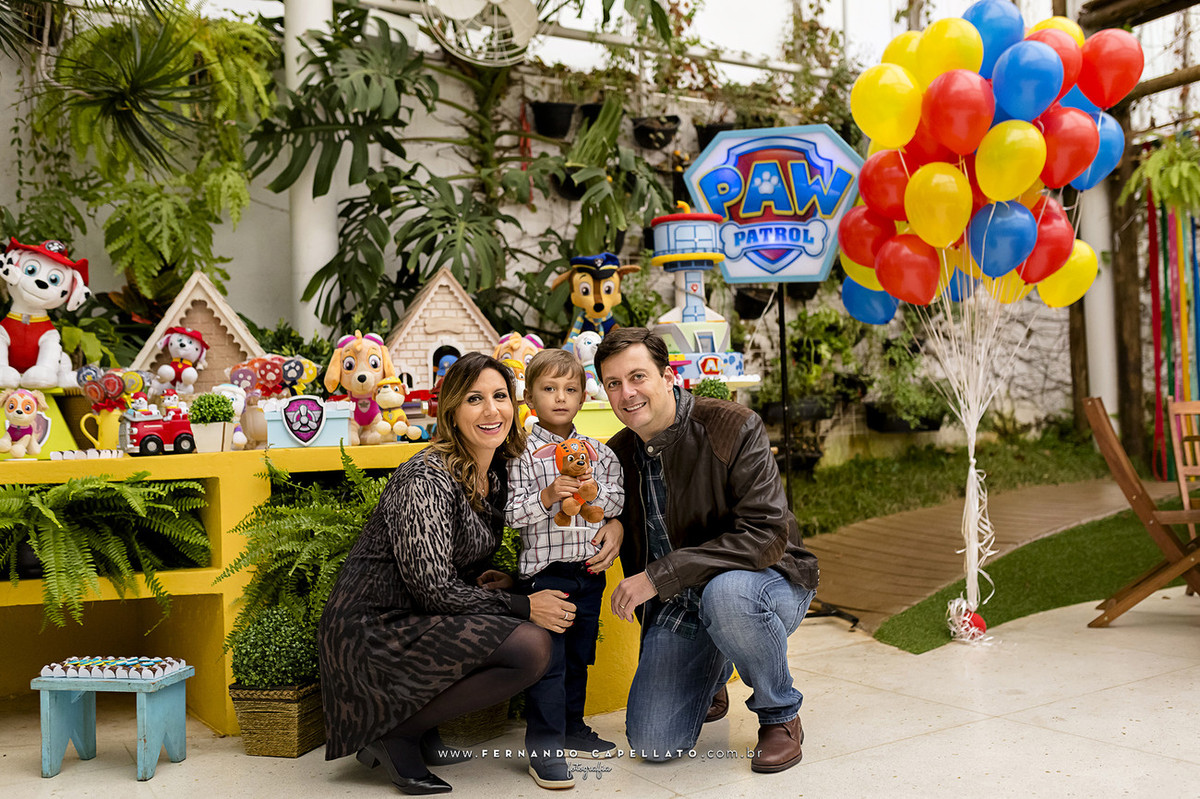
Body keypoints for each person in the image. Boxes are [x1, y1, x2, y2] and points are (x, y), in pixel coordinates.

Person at [319, 352, 617, 795]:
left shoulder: (492, 474)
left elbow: (456, 566)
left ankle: (417, 727)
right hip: (372, 630)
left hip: (417, 616)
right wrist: (524, 604)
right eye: (475, 399)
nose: (491, 410)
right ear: (452, 410)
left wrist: (611, 523)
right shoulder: (425, 477)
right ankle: (396, 732)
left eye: (500, 396)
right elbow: (434, 587)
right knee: (532, 646)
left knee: (530, 631)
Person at [595, 327, 820, 774]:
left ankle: (780, 716)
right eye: (614, 384)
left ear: (668, 375)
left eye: (638, 377)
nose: (627, 393)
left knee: (727, 595)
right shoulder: (616, 454)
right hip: (682, 606)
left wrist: (663, 575)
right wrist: (614, 521)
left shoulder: (733, 426)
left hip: (765, 582)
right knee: (653, 741)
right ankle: (712, 672)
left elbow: (765, 534)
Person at [506, 349, 625, 789]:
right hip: (545, 574)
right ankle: (544, 748)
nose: (560, 398)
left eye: (570, 389)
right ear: (530, 398)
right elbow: (510, 514)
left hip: (588, 570)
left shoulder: (597, 452)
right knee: (549, 660)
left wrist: (595, 496)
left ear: (582, 397)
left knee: (579, 655)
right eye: (549, 389)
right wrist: (548, 495)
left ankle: (572, 726)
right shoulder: (520, 455)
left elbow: (618, 501)